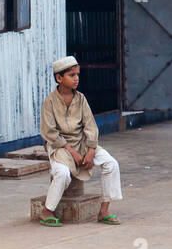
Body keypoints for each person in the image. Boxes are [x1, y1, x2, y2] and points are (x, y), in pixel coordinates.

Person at [38, 56, 122, 227]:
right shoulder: (50, 102)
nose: (76, 78)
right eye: (71, 75)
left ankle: (104, 210)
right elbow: (50, 133)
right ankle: (47, 211)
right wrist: (73, 153)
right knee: (62, 173)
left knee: (111, 164)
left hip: (83, 143)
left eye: (77, 74)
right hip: (60, 146)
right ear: (59, 78)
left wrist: (90, 151)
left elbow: (91, 126)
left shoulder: (81, 98)